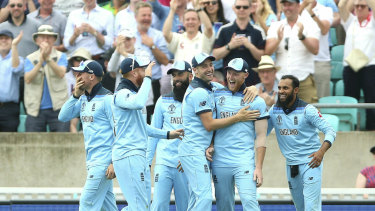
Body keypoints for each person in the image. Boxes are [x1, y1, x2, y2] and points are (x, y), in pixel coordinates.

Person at [178, 52, 258, 210]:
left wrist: (253, 88)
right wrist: (238, 117)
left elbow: (234, 88)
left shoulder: (211, 87)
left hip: (197, 151)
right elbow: (209, 125)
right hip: (194, 151)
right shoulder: (199, 92)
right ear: (194, 70)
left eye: (210, 65)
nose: (209, 69)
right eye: (203, 66)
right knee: (204, 197)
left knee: (196, 199)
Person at [111, 57, 183, 210]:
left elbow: (144, 127)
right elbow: (138, 103)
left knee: (143, 207)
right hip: (128, 154)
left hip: (137, 155)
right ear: (135, 73)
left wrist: (169, 134)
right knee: (139, 207)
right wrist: (148, 78)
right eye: (143, 70)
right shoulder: (122, 94)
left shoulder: (132, 95)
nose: (145, 73)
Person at [206, 58, 268, 211]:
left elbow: (261, 136)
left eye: (235, 73)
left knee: (250, 202)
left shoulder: (256, 101)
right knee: (224, 206)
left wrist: (259, 167)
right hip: (220, 161)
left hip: (244, 160)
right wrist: (211, 145)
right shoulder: (215, 94)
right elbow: (210, 125)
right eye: (228, 72)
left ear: (245, 75)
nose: (230, 77)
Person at [267, 75, 336, 211]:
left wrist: (321, 152)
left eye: (286, 88)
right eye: (280, 88)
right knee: (300, 208)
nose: (281, 91)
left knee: (311, 208)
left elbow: (330, 131)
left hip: (311, 163)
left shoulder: (308, 110)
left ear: (296, 90)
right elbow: (261, 133)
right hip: (291, 165)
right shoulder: (274, 111)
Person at [58, 60, 118, 210]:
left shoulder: (108, 99)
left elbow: (119, 131)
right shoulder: (83, 98)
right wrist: (75, 96)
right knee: (108, 207)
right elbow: (63, 117)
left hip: (103, 162)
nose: (76, 75)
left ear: (91, 77)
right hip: (92, 161)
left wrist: (114, 161)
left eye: (80, 73)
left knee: (86, 203)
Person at [147, 61, 193, 211]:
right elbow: (154, 133)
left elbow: (203, 133)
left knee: (185, 207)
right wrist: (147, 161)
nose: (176, 78)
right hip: (164, 161)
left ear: (190, 76)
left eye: (180, 74)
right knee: (158, 205)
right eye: (174, 75)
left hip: (185, 164)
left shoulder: (197, 100)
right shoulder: (163, 100)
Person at [265, 0, 320, 104]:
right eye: (284, 5)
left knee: (310, 116)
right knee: (282, 117)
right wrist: (278, 39)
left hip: (303, 79)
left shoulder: (310, 24)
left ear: (298, 6)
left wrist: (302, 37)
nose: (287, 8)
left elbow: (315, 50)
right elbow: (267, 51)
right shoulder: (276, 26)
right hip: (281, 81)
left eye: (290, 4)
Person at [24, 24, 69, 132]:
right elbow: (28, 78)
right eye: (42, 37)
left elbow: (61, 73)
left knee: (61, 143)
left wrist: (47, 58)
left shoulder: (61, 56)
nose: (46, 40)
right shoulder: (30, 58)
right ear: (37, 40)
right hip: (35, 109)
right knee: (32, 144)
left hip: (58, 107)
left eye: (49, 37)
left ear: (54, 40)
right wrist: (40, 61)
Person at [338, 0, 375, 130]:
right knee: (350, 99)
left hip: (369, 66)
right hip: (350, 67)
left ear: (368, 8)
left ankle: (372, 131)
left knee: (371, 100)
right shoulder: (350, 21)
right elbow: (341, 6)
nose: (359, 8)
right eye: (356, 6)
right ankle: (351, 129)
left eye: (362, 6)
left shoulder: (372, 22)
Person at [212, 0, 265, 86]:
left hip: (253, 84)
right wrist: (229, 46)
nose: (241, 9)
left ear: (251, 8)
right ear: (233, 8)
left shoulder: (258, 31)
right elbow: (215, 55)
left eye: (245, 7)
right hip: (230, 83)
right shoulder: (224, 29)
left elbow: (262, 57)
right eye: (238, 7)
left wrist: (250, 46)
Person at [134, 2, 169, 106]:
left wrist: (152, 46)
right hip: (134, 84)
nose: (147, 18)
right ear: (136, 17)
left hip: (154, 84)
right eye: (143, 15)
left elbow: (165, 61)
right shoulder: (129, 36)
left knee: (152, 118)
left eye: (149, 15)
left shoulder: (158, 35)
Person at [64, 0, 114, 70]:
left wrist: (94, 32)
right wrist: (75, 35)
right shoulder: (73, 14)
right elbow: (67, 45)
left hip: (97, 60)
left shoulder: (107, 15)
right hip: (78, 60)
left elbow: (110, 44)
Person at [299, 0, 333, 99]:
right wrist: (303, 6)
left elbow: (324, 30)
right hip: (301, 62)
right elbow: (291, 24)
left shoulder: (326, 10)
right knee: (301, 104)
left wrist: (311, 13)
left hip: (320, 62)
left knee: (322, 102)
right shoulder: (296, 9)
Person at [0, 29, 23, 132]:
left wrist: (14, 46)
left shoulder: (18, 59)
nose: (3, 41)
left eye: (7, 38)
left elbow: (16, 68)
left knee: (10, 141)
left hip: (9, 108)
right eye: (1, 38)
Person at [65, 47, 92, 133]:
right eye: (77, 59)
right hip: (69, 109)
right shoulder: (64, 78)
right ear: (72, 61)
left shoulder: (92, 79)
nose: (79, 62)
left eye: (83, 60)